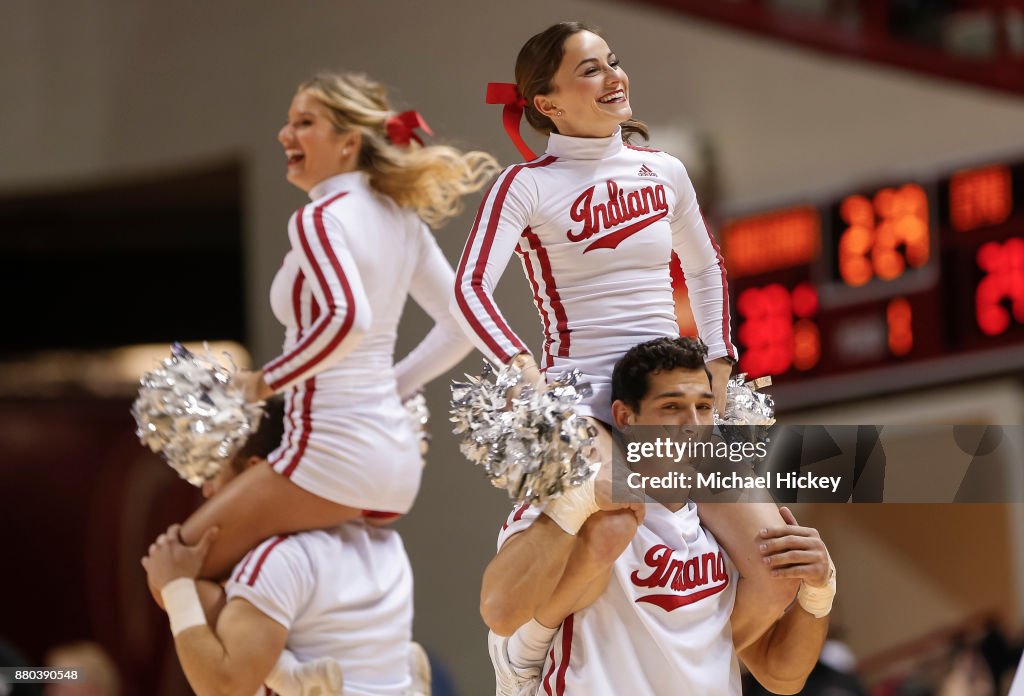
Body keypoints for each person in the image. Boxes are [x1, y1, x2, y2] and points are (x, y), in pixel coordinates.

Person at [452, 19, 798, 657]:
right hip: (586, 400)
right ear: (547, 104)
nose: (614, 78)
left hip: (673, 394)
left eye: (613, 62)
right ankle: (528, 658)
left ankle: (700, 666)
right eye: (590, 69)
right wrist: (524, 371)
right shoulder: (525, 184)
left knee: (776, 565)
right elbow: (470, 287)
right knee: (605, 537)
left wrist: (719, 356)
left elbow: (705, 267)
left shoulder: (662, 171)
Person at [174, 71, 498, 577]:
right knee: (274, 579)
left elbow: (347, 320)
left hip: (330, 452)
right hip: (396, 464)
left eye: (303, 123)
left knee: (175, 568)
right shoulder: (400, 217)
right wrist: (395, 387)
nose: (285, 135)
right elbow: (463, 323)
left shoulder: (322, 216)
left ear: (348, 142)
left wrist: (263, 382)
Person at [483, 337, 835, 695]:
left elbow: (784, 677)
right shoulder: (587, 510)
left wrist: (818, 593)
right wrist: (569, 509)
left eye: (704, 407)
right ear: (625, 417)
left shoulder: (724, 538)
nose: (692, 424)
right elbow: (499, 610)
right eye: (672, 407)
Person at [143, 399, 429, 696]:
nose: (207, 489)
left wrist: (176, 588)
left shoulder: (279, 558)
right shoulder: (387, 544)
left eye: (216, 470)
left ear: (254, 473)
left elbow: (225, 688)